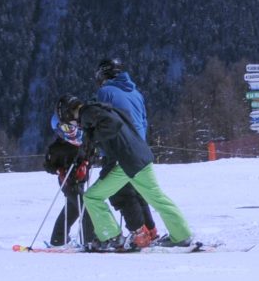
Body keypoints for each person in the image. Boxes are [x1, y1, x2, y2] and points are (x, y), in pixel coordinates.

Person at [78, 98, 193, 249]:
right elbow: (117, 137)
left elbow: (112, 125)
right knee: (157, 198)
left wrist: (92, 136)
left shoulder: (87, 113)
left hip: (129, 163)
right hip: (138, 157)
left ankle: (110, 237)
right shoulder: (109, 109)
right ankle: (181, 234)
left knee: (92, 196)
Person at [91, 60, 153, 239]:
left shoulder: (105, 92)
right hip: (139, 149)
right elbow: (143, 121)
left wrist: (98, 145)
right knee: (138, 191)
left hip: (119, 148)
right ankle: (150, 231)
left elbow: (103, 121)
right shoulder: (136, 93)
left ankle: (138, 234)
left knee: (119, 192)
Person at [44, 96, 92, 247]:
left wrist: (87, 162)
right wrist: (59, 170)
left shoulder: (81, 141)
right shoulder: (57, 147)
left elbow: (88, 154)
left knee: (73, 209)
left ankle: (58, 239)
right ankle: (90, 240)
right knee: (86, 206)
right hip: (68, 182)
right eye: (65, 128)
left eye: (70, 127)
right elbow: (48, 165)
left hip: (80, 180)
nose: (70, 130)